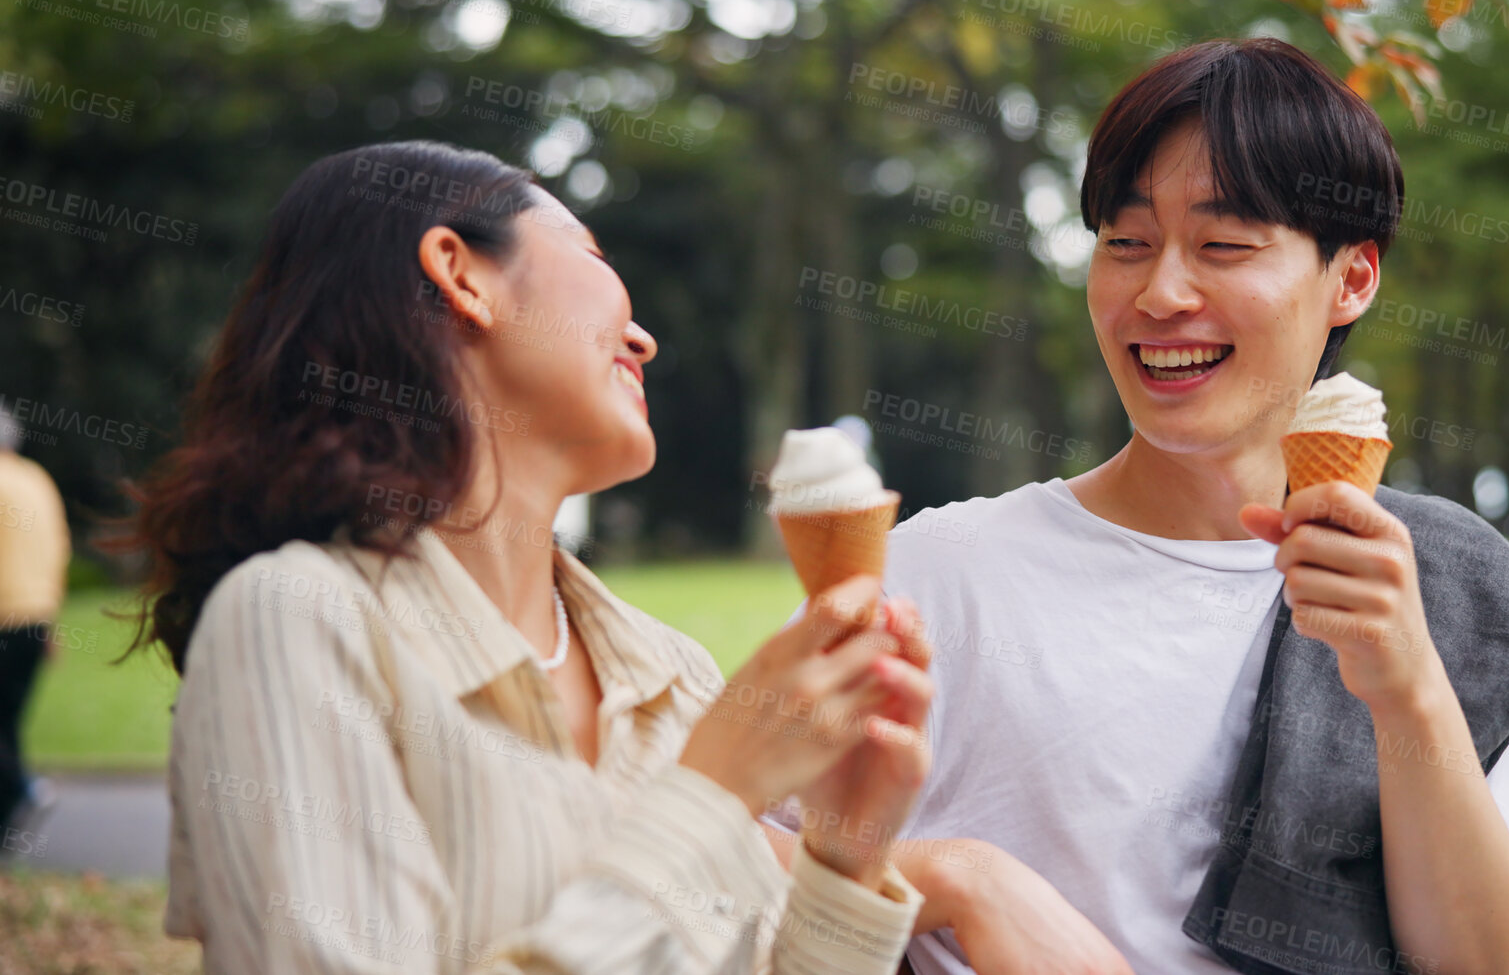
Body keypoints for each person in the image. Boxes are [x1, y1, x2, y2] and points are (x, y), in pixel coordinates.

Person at [117, 141, 939, 973]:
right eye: (590, 252)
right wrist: (714, 796)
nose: (645, 340)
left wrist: (845, 850)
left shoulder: (674, 675)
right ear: (461, 274)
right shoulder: (296, 619)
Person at [885, 39, 1509, 974]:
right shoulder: (942, 574)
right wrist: (964, 880)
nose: (1161, 292)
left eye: (1224, 246)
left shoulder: (1408, 570)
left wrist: (1406, 687)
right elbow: (725, 861)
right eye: (1126, 243)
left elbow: (1486, 963)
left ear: (1350, 278)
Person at [0, 408, 69, 836]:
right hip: (35, 618)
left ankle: (24, 788)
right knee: (8, 720)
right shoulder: (36, 480)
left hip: (4, 617)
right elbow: (57, 549)